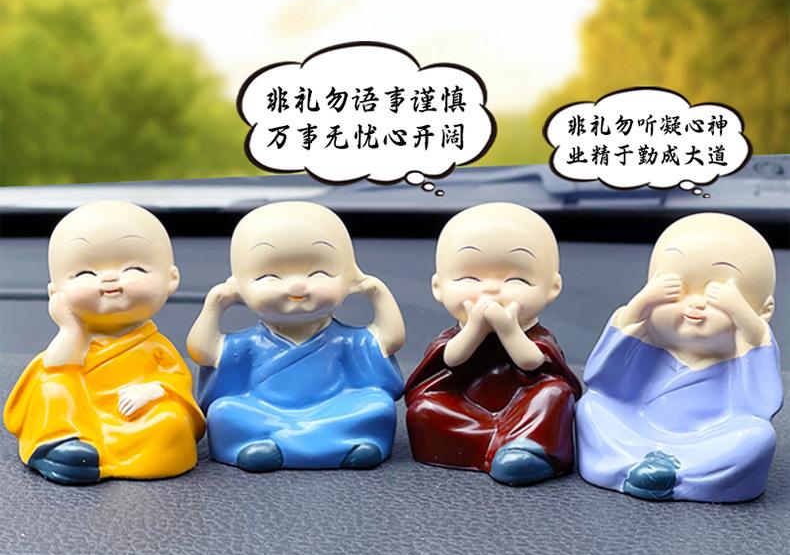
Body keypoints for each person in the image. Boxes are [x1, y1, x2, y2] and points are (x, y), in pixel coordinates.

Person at [576, 213, 783, 503]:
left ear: (763, 310)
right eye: (675, 290)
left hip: (709, 441)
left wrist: (746, 321)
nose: (695, 304)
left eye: (717, 294)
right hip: (638, 428)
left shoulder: (744, 352)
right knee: (592, 407)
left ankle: (678, 476)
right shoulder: (648, 338)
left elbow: (761, 405)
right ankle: (633, 468)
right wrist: (638, 307)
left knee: (757, 437)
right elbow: (601, 379)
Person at [188, 202, 405, 472]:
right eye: (269, 276)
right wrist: (214, 306)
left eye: (318, 273)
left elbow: (390, 340)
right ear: (238, 285)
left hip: (335, 406)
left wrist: (377, 293)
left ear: (348, 278)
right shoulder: (250, 344)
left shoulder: (345, 341)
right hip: (265, 410)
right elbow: (202, 352)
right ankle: (340, 445)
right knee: (224, 410)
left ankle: (276, 446)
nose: (296, 286)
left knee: (378, 403)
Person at [4, 201, 205, 484]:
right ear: (55, 291)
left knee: (171, 421)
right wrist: (70, 329)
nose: (109, 278)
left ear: (171, 279)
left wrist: (152, 390)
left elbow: (177, 380)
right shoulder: (76, 339)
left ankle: (100, 460)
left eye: (134, 268)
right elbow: (58, 366)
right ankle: (59, 445)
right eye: (85, 273)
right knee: (52, 386)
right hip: (78, 416)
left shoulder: (154, 345)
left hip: (133, 415)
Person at [405, 203, 581, 486]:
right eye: (469, 278)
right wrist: (475, 328)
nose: (490, 289)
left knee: (554, 394)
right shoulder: (454, 335)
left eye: (516, 279)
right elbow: (452, 360)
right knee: (424, 409)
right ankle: (499, 446)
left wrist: (508, 329)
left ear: (552, 288)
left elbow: (531, 362)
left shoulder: (536, 336)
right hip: (466, 408)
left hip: (523, 407)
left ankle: (528, 449)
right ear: (438, 287)